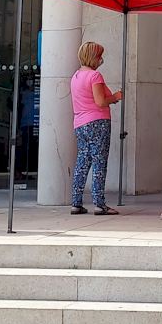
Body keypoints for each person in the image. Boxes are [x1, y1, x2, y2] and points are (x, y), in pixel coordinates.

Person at [70, 41, 123, 215]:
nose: (101, 59)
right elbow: (100, 101)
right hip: (98, 122)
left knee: (82, 162)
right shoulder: (95, 76)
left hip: (80, 123)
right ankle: (99, 204)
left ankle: (76, 202)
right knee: (99, 163)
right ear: (94, 57)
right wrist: (116, 96)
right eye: (100, 56)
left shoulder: (76, 76)